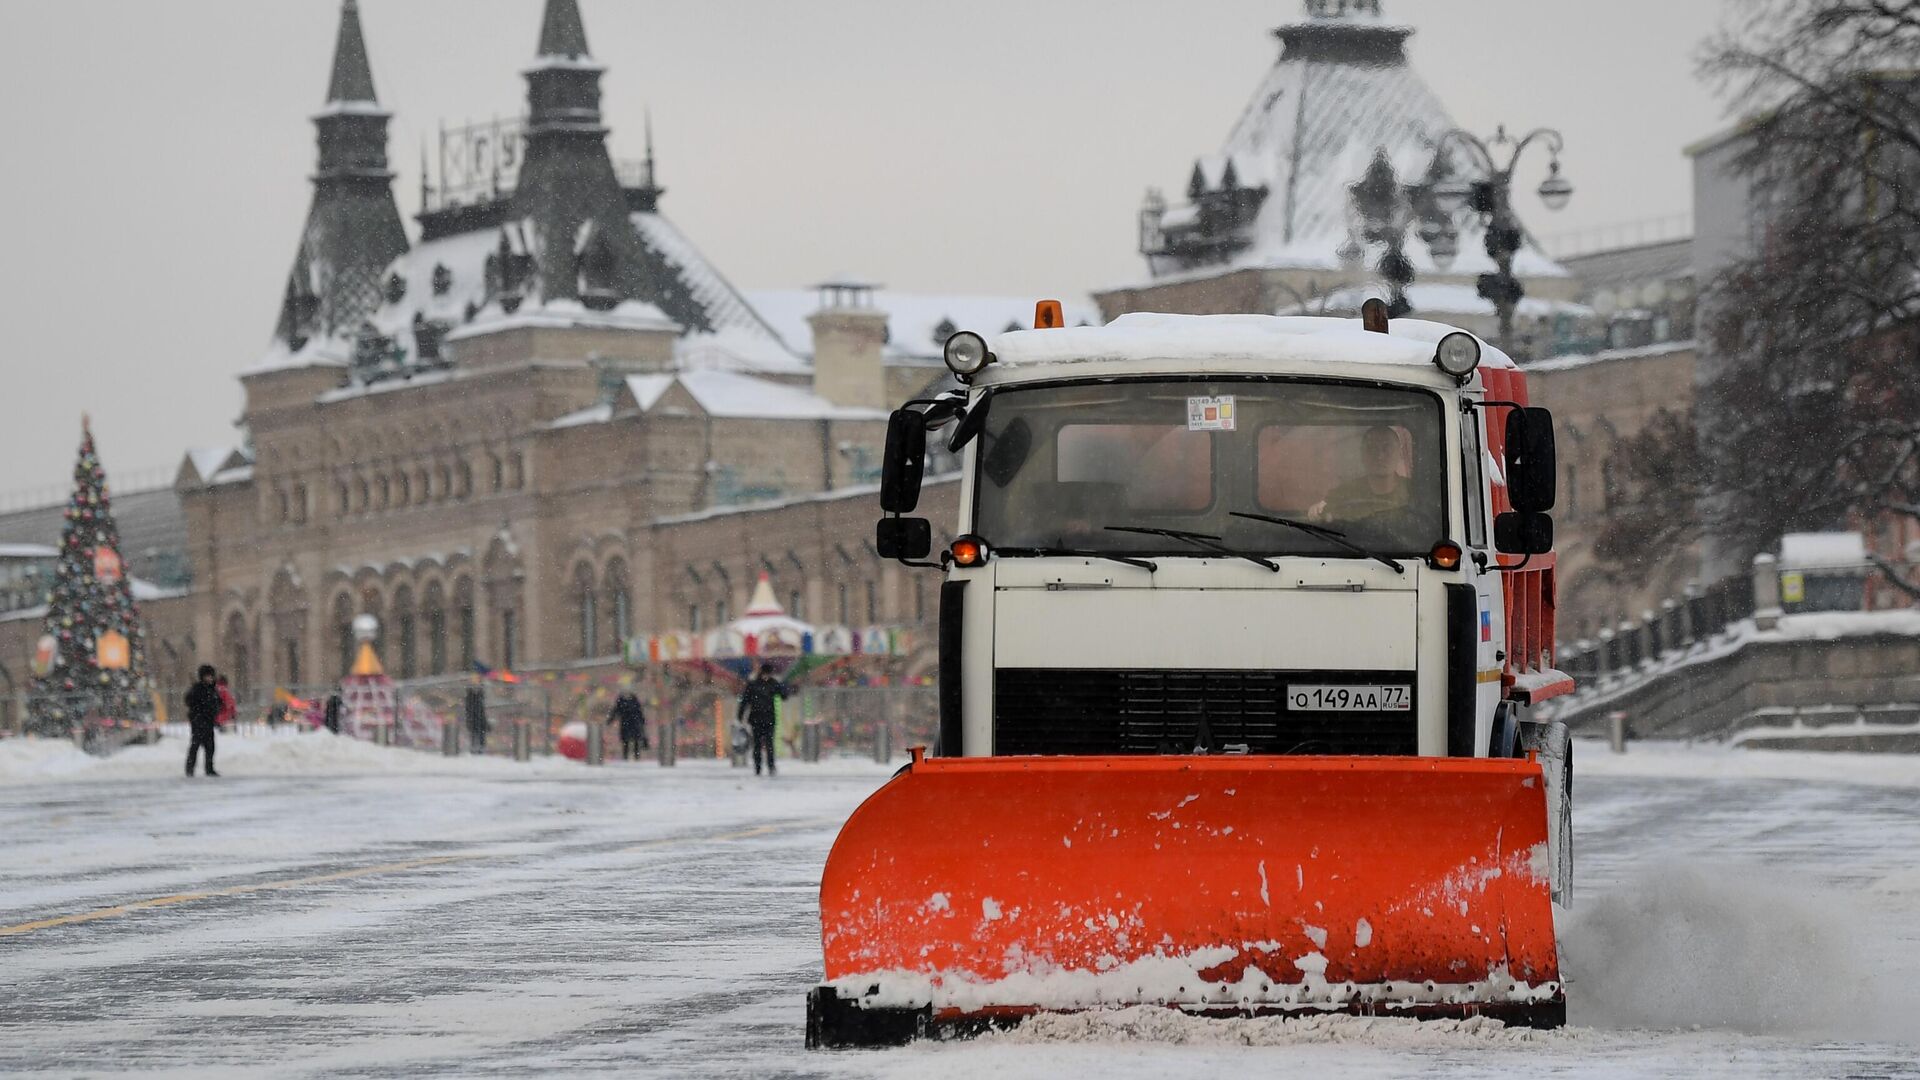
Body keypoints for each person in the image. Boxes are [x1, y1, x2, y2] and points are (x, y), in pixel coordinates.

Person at [1309, 425, 1410, 525]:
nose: (1380, 456)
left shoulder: (1414, 490)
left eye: (1387, 448)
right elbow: (1323, 509)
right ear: (1362, 455)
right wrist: (1316, 511)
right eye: (1372, 449)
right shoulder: (1346, 492)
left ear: (1399, 453)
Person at [736, 665, 789, 777]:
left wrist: (782, 686)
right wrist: (740, 715)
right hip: (758, 719)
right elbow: (745, 701)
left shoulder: (769, 683)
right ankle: (758, 767)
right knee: (757, 745)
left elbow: (784, 696)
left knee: (768, 744)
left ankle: (770, 766)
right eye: (765, 674)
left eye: (768, 674)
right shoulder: (754, 684)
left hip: (767, 719)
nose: (767, 676)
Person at [183, 665, 222, 778]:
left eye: (211, 676)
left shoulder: (212, 689)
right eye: (207, 676)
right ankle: (190, 769)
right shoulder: (197, 688)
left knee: (210, 747)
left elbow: (217, 702)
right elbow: (189, 701)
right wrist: (198, 711)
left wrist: (215, 710)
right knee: (195, 746)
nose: (210, 678)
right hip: (198, 722)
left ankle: (209, 768)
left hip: (209, 722)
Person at [606, 691, 650, 760]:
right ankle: (636, 757)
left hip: (625, 724)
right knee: (635, 741)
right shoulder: (635, 702)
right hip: (634, 723)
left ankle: (626, 756)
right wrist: (643, 722)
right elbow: (640, 713)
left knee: (626, 742)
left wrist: (609, 721)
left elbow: (615, 712)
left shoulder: (621, 702)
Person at [464, 682, 489, 754]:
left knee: (475, 736)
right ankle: (479, 749)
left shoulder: (470, 700)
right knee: (479, 736)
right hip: (479, 720)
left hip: (475, 720)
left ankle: (476, 749)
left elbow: (469, 709)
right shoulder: (477, 700)